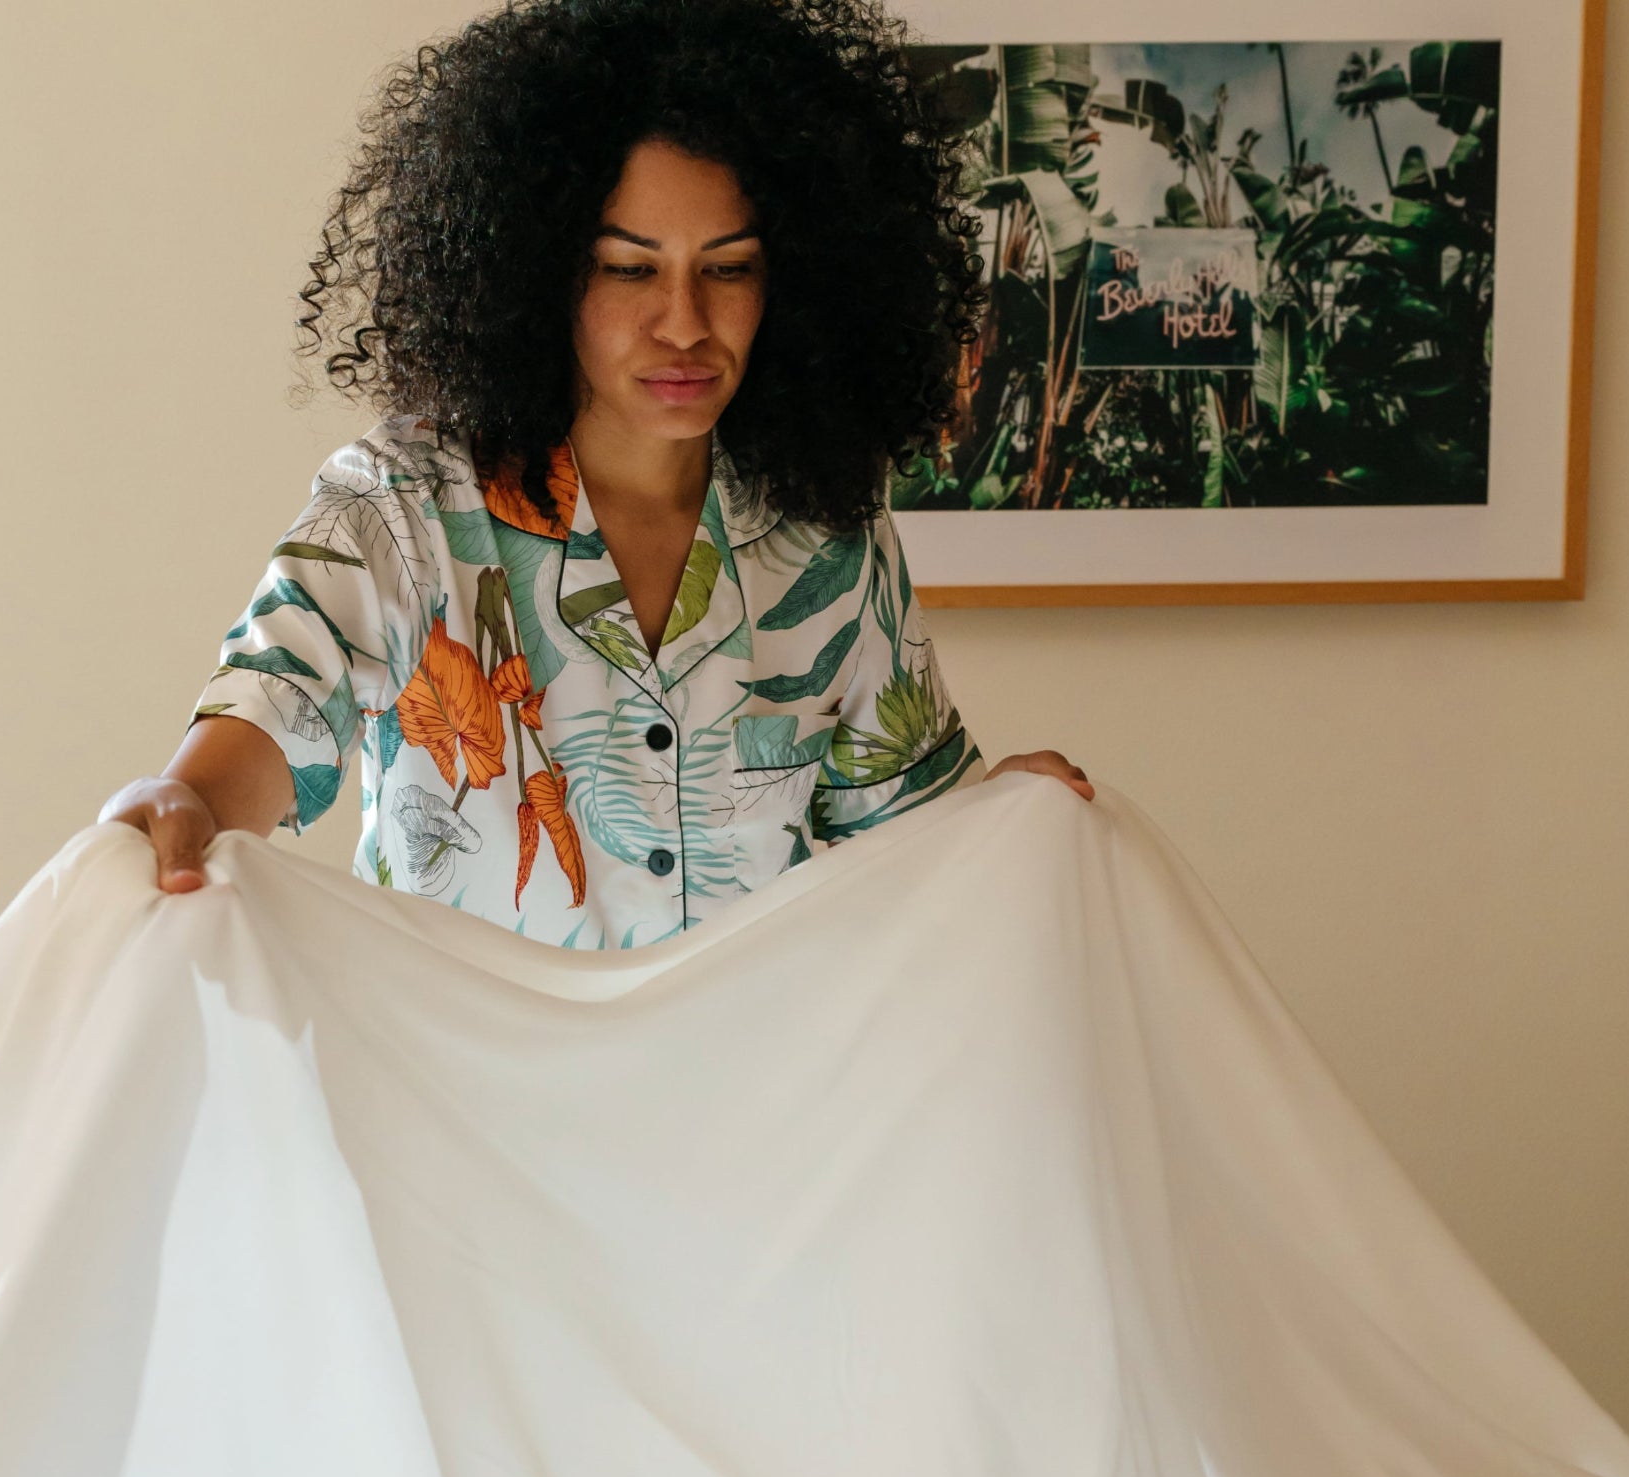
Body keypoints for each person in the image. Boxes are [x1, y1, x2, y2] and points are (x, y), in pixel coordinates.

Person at [100, 0, 1094, 948]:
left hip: (758, 1073)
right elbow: (266, 716)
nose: (685, 322)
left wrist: (1004, 811)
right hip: (454, 1073)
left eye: (729, 267)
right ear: (538, 270)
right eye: (629, 268)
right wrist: (183, 800)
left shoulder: (828, 528)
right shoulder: (401, 506)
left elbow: (914, 839)